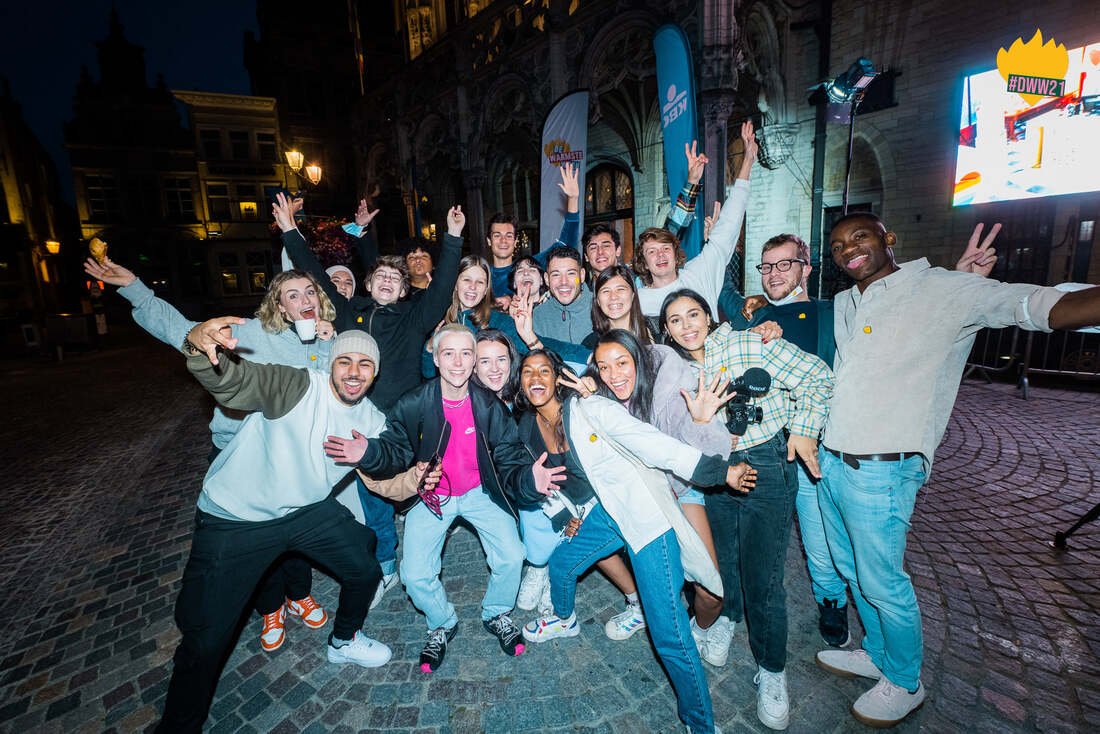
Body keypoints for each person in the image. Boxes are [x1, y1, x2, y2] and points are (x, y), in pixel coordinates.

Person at [814, 213, 1100, 727]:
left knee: (882, 583)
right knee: (853, 573)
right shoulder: (846, 301)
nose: (848, 250)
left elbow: (1038, 307)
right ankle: (879, 656)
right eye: (837, 246)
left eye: (860, 237)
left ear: (889, 237)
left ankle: (905, 682)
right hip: (832, 461)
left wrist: (965, 279)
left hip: (883, 467)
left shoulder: (946, 289)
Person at [84, 258, 349, 652]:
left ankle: (299, 593)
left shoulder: (327, 341)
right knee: (252, 538)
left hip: (292, 458)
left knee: (296, 528)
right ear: (279, 306)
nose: (304, 299)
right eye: (292, 295)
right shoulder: (253, 334)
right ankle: (271, 606)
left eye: (310, 292)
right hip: (241, 456)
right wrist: (135, 288)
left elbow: (340, 392)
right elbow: (185, 333)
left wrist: (330, 343)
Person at [156, 328, 395, 732]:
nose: (354, 372)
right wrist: (201, 351)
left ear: (375, 374)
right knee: (206, 639)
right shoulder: (297, 384)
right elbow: (236, 384)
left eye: (365, 365)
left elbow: (388, 467)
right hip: (236, 517)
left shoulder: (372, 418)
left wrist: (417, 473)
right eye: (345, 362)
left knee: (365, 565)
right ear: (330, 365)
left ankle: (344, 640)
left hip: (303, 509)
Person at [513, 349, 756, 734]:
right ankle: (565, 619)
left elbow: (654, 443)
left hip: (644, 517)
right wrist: (566, 515)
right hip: (606, 512)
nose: (536, 377)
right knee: (561, 564)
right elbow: (553, 482)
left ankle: (701, 725)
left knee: (668, 634)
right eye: (527, 372)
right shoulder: (527, 427)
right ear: (522, 383)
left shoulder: (591, 408)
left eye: (545, 369)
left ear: (560, 378)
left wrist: (718, 470)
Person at [325, 324, 565, 673]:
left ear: (473, 362)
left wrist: (530, 478)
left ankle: (496, 613)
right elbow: (394, 450)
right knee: (415, 574)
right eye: (448, 353)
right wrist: (368, 452)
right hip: (432, 496)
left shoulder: (488, 407)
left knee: (513, 556)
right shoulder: (413, 404)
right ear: (435, 359)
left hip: (479, 493)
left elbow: (510, 458)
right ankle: (442, 623)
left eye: (466, 354)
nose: (457, 361)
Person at [659, 287, 834, 731]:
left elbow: (817, 375)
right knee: (725, 561)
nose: (687, 326)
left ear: (708, 315)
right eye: (675, 320)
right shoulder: (672, 369)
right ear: (666, 329)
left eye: (693, 314)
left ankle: (772, 670)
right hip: (715, 468)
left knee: (764, 575)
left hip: (765, 462)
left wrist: (804, 431)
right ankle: (728, 619)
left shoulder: (747, 341)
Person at [589, 329, 737, 665]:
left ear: (638, 362)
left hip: (680, 492)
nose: (615, 374)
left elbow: (710, 452)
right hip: (638, 505)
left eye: (622, 363)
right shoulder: (598, 406)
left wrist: (702, 420)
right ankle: (641, 608)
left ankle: (699, 629)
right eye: (604, 367)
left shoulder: (664, 399)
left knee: (711, 590)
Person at [275, 192, 464, 411]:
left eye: (394, 278)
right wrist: (290, 230)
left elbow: (441, 289)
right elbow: (315, 274)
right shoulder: (347, 311)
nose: (386, 280)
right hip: (352, 413)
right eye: (380, 276)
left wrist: (454, 235)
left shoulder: (413, 319)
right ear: (368, 285)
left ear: (403, 291)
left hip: (401, 418)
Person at [635, 122, 757, 318]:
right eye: (651, 251)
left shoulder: (699, 274)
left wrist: (747, 163)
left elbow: (729, 223)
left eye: (666, 248)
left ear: (676, 254)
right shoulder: (637, 300)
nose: (660, 255)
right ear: (644, 263)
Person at [423, 254, 591, 377]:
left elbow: (544, 344)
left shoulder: (498, 321)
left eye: (480, 282)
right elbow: (428, 374)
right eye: (466, 280)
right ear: (455, 283)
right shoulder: (442, 321)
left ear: (486, 289)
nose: (473, 287)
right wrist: (429, 348)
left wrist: (587, 355)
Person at [489, 164, 581, 302]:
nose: (503, 240)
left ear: (515, 241)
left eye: (508, 236)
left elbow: (566, 246)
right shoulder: (482, 275)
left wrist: (573, 200)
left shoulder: (533, 266)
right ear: (489, 241)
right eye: (497, 235)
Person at [531, 245, 594, 348]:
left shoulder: (601, 307)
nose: (564, 282)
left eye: (571, 274)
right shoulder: (538, 316)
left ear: (581, 276)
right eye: (556, 275)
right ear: (547, 279)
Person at [583, 264, 656, 348]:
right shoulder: (591, 344)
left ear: (633, 295)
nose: (613, 297)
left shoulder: (655, 330)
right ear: (598, 301)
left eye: (620, 289)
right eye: (606, 291)